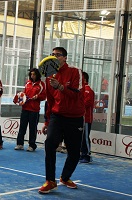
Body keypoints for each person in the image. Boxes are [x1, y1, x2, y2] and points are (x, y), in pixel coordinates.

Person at [39, 47, 85, 194]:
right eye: (52, 54)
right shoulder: (48, 77)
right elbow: (50, 101)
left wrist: (60, 87)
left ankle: (65, 177)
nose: (54, 57)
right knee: (50, 144)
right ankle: (50, 181)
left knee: (74, 153)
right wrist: (47, 121)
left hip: (75, 118)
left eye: (57, 55)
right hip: (57, 117)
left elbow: (77, 95)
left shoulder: (75, 71)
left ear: (65, 58)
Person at [14, 68, 46, 152]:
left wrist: (37, 97)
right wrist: (20, 98)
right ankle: (19, 144)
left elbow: (44, 96)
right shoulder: (27, 83)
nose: (32, 76)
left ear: (37, 75)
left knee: (33, 128)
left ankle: (32, 145)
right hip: (25, 108)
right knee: (22, 127)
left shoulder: (41, 85)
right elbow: (24, 94)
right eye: (31, 74)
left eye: (34, 74)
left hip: (34, 110)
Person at [80, 72, 95, 163]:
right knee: (81, 137)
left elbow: (87, 103)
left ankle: (87, 155)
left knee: (85, 137)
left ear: (84, 79)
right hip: (79, 117)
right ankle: (82, 153)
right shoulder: (81, 89)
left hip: (86, 118)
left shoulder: (88, 90)